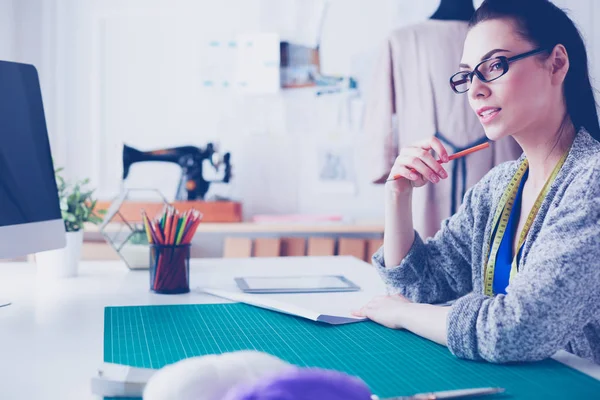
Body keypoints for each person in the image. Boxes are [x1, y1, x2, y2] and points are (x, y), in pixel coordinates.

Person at [354, 0, 600, 365]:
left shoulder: (591, 182)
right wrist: (397, 195)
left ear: (557, 63)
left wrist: (403, 314)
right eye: (468, 75)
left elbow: (519, 330)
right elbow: (420, 285)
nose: (475, 90)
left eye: (495, 65)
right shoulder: (498, 186)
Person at [364, 0, 522, 239]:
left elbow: (379, 116)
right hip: (425, 171)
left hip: (496, 169)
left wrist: (381, 161)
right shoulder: (400, 42)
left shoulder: (403, 40)